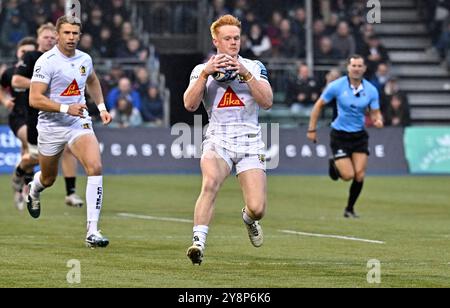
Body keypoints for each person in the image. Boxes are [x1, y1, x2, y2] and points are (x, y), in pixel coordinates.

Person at [183, 15, 273, 265]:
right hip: (218, 139)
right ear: (216, 41)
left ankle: (248, 218)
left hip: (250, 141)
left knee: (257, 208)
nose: (233, 42)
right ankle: (198, 243)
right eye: (227, 38)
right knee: (210, 182)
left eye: (236, 38)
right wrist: (205, 75)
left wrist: (245, 74)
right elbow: (189, 105)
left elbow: (267, 102)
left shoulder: (254, 66)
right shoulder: (201, 70)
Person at [27, 15, 112, 248]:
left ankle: (92, 231)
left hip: (79, 123)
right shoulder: (47, 61)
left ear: (80, 35)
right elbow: (34, 98)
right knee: (48, 178)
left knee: (95, 166)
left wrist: (102, 108)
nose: (71, 37)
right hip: (51, 126)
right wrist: (66, 107)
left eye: (75, 33)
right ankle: (34, 190)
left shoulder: (85, 59)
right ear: (58, 34)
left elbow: (93, 81)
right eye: (67, 33)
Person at [12, 23, 85, 209]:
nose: (49, 40)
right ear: (38, 39)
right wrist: (41, 84)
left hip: (62, 117)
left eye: (52, 37)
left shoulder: (63, 59)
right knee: (35, 157)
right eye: (46, 37)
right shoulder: (32, 57)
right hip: (36, 117)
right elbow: (16, 80)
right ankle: (20, 171)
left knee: (69, 150)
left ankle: (71, 193)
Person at [307, 55, 383, 218]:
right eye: (353, 65)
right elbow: (318, 106)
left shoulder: (371, 90)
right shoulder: (336, 86)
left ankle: (349, 209)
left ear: (364, 69)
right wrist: (311, 130)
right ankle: (333, 163)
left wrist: (378, 120)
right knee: (348, 176)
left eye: (359, 66)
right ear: (348, 68)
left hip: (359, 136)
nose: (356, 68)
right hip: (340, 135)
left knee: (360, 175)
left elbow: (376, 112)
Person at [0, 37, 37, 210]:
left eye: (30, 52)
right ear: (18, 53)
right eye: (24, 52)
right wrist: (5, 100)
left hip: (35, 117)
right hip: (18, 117)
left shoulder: (40, 72)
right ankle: (24, 188)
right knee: (29, 145)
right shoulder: (9, 73)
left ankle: (20, 186)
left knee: (30, 154)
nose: (26, 55)